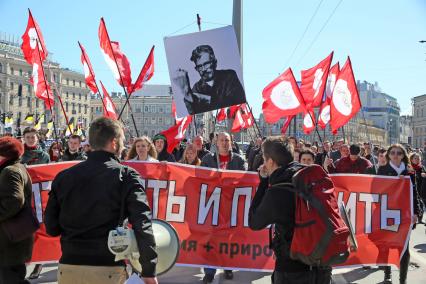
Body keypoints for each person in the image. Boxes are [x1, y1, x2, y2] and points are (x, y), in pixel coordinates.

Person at [44, 117, 158, 284]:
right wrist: (149, 270)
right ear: (114, 143)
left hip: (68, 267)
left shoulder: (63, 177)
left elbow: (51, 228)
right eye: (122, 141)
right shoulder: (127, 175)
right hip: (108, 268)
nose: (123, 146)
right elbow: (143, 224)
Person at [248, 136, 332, 284]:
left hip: (292, 270)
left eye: (264, 159)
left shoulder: (277, 190)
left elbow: (254, 222)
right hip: (322, 265)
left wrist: (263, 184)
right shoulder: (311, 177)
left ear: (270, 162)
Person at [201, 132, 247, 283]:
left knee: (229, 238)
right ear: (216, 142)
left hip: (231, 205)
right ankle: (209, 271)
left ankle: (228, 267)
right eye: (222, 140)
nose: (225, 143)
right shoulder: (208, 159)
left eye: (227, 140)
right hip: (213, 205)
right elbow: (202, 179)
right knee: (211, 239)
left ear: (231, 142)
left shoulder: (239, 160)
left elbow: (245, 179)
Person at [377, 144, 423, 284]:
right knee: (386, 246)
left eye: (399, 153)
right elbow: (377, 191)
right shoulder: (383, 169)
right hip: (387, 213)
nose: (395, 155)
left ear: (403, 155)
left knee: (404, 248)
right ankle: (387, 274)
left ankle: (403, 280)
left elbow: (415, 194)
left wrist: (416, 212)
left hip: (405, 214)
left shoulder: (409, 171)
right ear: (388, 155)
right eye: (392, 153)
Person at [173, 45, 246, 114]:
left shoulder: (229, 76)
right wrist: (186, 93)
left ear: (215, 62)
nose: (204, 69)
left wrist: (204, 98)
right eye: (199, 67)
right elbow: (194, 113)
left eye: (206, 64)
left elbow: (236, 101)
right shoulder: (197, 88)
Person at [0, 137, 34, 284]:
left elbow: (14, 200)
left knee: (10, 279)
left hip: (9, 240)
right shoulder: (15, 168)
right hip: (12, 239)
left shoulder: (10, 171)